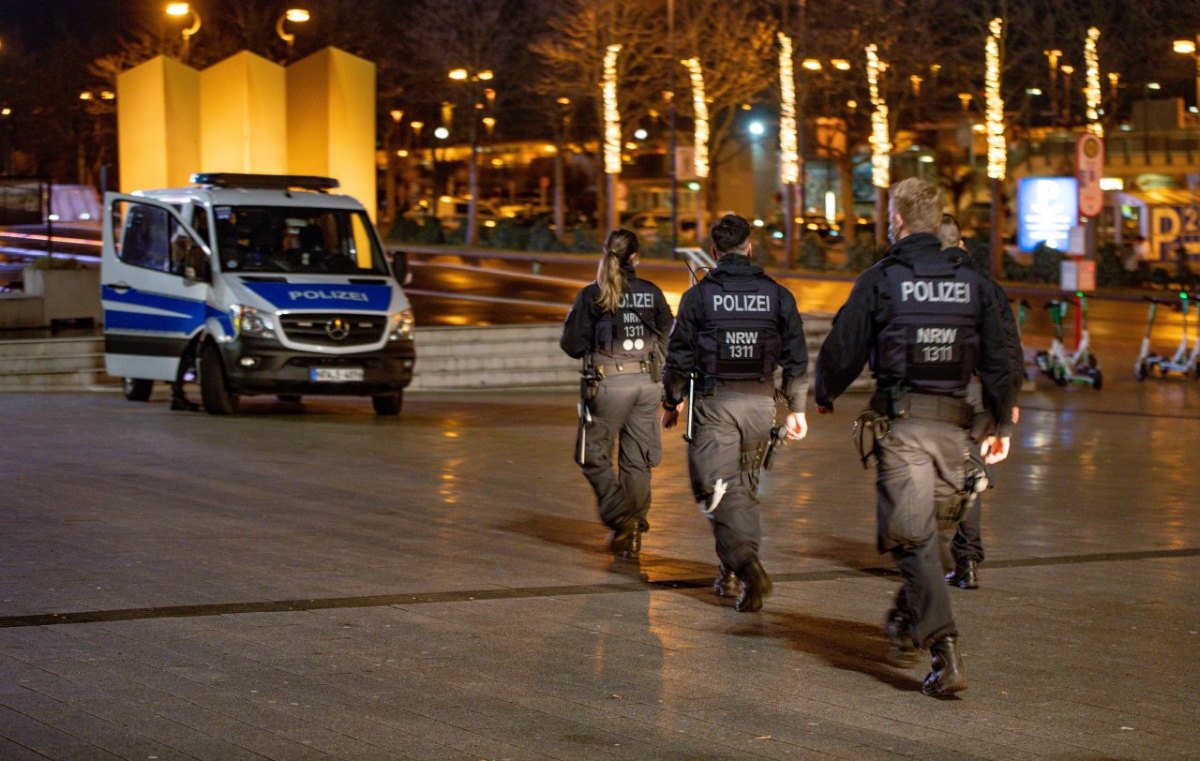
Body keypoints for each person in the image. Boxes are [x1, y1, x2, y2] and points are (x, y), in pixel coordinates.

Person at [814, 179, 1022, 697]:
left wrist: (825, 392)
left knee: (912, 538)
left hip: (905, 430)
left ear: (900, 220)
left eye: (889, 214)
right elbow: (1003, 355)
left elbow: (845, 344)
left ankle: (943, 647)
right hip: (957, 432)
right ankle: (906, 622)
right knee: (923, 537)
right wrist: (1001, 424)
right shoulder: (975, 284)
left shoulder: (882, 279)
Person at [661, 213, 809, 613]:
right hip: (760, 405)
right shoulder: (777, 294)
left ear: (713, 251)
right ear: (750, 246)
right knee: (741, 489)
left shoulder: (699, 296)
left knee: (713, 489)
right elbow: (797, 355)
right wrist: (796, 408)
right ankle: (733, 571)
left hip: (716, 405)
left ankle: (747, 567)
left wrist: (671, 400)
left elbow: (679, 355)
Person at [560, 228, 674, 560]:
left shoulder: (594, 293)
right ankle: (633, 529)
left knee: (592, 455)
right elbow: (670, 338)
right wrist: (669, 388)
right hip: (648, 384)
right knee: (637, 461)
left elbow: (572, 344)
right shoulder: (652, 293)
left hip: (609, 384)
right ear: (636, 257)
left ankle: (621, 517)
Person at [935, 214, 1023, 590]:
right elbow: (1007, 351)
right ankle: (967, 558)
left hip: (936, 390)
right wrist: (1006, 406)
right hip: (978, 391)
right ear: (963, 245)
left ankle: (932, 556)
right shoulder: (985, 286)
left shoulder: (918, 283)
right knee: (966, 472)